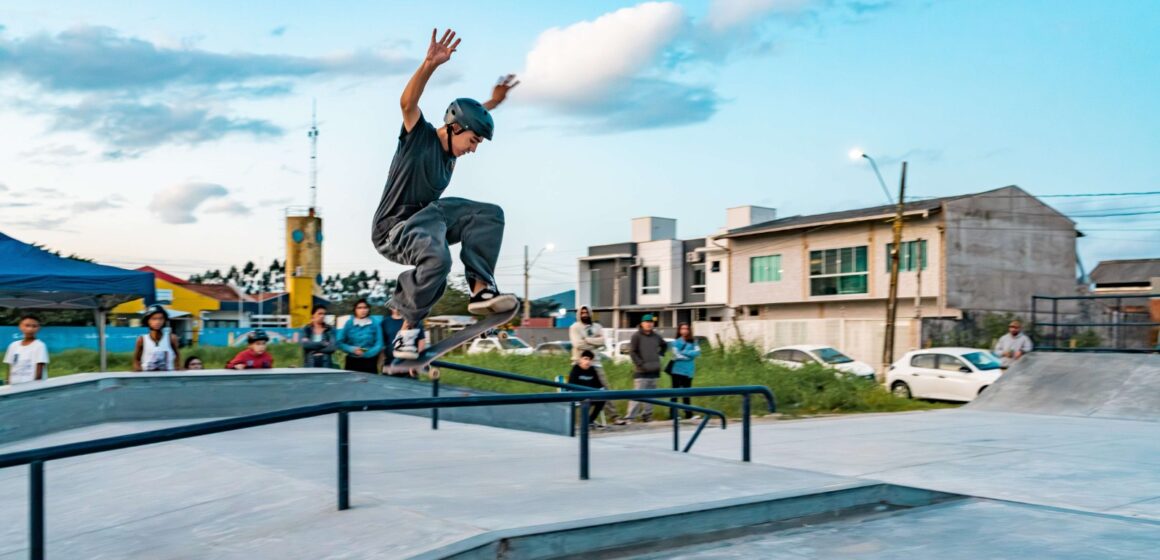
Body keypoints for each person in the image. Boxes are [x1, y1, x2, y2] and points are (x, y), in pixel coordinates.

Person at [369, 28, 520, 360]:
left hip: (429, 223)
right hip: (394, 231)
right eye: (473, 142)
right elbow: (407, 102)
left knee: (489, 214)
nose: (473, 150)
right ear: (454, 128)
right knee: (439, 258)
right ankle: (407, 331)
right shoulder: (418, 138)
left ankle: (481, 292)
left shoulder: (452, 148)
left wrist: (493, 102)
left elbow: (470, 114)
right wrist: (430, 64)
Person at [568, 306, 624, 424]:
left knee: (604, 389)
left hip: (596, 363)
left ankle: (614, 417)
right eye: (582, 312)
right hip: (579, 363)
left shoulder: (597, 327)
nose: (584, 314)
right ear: (579, 314)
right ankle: (582, 420)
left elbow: (603, 342)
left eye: (586, 312)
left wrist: (587, 340)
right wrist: (595, 343)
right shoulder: (574, 327)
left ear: (590, 313)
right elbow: (577, 344)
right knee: (581, 391)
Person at [624, 314, 667, 423]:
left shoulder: (656, 336)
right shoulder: (636, 336)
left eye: (651, 322)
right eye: (646, 322)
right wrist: (640, 364)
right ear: (642, 323)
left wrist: (661, 355)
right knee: (637, 395)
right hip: (641, 371)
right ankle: (630, 417)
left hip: (655, 370)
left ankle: (647, 416)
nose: (649, 324)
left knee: (651, 396)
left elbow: (664, 345)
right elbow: (632, 352)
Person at [666, 323, 702, 420]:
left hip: (689, 371)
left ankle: (688, 414)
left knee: (687, 393)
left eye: (686, 328)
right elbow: (677, 355)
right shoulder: (675, 342)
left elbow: (698, 353)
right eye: (682, 328)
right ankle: (673, 415)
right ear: (679, 330)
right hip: (677, 370)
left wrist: (685, 353)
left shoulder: (694, 341)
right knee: (675, 394)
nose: (684, 330)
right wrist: (690, 355)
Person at [337, 299, 384, 373]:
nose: (363, 310)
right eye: (359, 308)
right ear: (355, 309)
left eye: (365, 307)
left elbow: (379, 343)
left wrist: (366, 353)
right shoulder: (349, 323)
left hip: (370, 361)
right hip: (352, 361)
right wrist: (352, 349)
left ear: (368, 309)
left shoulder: (375, 323)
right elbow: (340, 342)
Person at [132, 305, 182, 372]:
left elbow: (177, 356)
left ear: (164, 320)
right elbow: (136, 359)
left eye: (160, 318)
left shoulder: (171, 338)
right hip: (148, 379)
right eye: (154, 319)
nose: (158, 322)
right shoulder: (142, 340)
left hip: (168, 379)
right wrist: (138, 372)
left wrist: (177, 369)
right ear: (148, 321)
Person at [568, 350, 611, 428]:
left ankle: (589, 420)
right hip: (578, 396)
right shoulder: (575, 369)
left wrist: (602, 390)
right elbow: (571, 385)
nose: (588, 362)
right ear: (581, 359)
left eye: (590, 360)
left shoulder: (592, 370)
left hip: (590, 395)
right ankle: (584, 422)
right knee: (586, 400)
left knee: (602, 400)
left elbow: (599, 384)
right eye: (586, 359)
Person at [3, 315, 49, 385]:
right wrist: (8, 382)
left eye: (34, 326)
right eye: (27, 325)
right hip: (13, 386)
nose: (30, 329)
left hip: (30, 388)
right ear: (20, 327)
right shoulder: (13, 345)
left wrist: (34, 386)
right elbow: (10, 367)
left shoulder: (40, 346)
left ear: (39, 328)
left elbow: (40, 370)